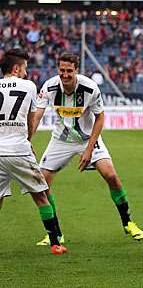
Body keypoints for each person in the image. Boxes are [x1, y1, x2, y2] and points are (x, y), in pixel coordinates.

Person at [33, 53, 143, 246]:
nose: (65, 74)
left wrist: (89, 149)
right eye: (62, 70)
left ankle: (128, 222)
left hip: (87, 139)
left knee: (111, 175)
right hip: (61, 140)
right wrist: (27, 140)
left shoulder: (89, 87)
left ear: (76, 70)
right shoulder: (50, 87)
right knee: (43, 183)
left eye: (69, 71)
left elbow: (100, 118)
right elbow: (37, 116)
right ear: (57, 69)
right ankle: (55, 233)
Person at [0, 49, 67, 255]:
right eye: (25, 68)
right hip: (19, 150)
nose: (26, 73)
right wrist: (28, 140)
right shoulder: (28, 86)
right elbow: (31, 120)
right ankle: (56, 243)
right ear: (16, 68)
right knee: (41, 196)